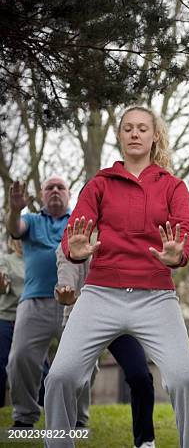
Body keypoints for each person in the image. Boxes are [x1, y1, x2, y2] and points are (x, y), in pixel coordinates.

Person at [44, 106, 189, 448]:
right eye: (128, 128)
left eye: (142, 129)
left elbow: (187, 230)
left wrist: (180, 252)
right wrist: (75, 247)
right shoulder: (100, 182)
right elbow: (76, 231)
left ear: (154, 136)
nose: (135, 134)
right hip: (101, 294)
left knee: (185, 380)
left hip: (156, 296)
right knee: (59, 377)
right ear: (119, 136)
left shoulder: (173, 186)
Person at [5, 176, 90, 428]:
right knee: (20, 358)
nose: (55, 191)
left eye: (60, 187)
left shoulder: (80, 220)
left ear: (69, 193)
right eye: (49, 188)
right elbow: (14, 228)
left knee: (84, 360)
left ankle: (77, 418)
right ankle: (24, 416)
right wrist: (15, 209)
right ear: (41, 195)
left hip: (75, 301)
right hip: (34, 302)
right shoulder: (30, 221)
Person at [55, 240, 156, 448]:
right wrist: (67, 288)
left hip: (119, 317)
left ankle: (145, 440)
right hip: (83, 317)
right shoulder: (77, 235)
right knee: (68, 378)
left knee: (141, 377)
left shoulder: (122, 234)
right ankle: (63, 433)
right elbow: (68, 264)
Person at [0, 238, 23, 407]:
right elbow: (4, 287)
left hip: (30, 319)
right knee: (1, 365)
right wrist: (2, 283)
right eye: (17, 239)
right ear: (11, 241)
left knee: (38, 367)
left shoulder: (36, 259)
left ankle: (44, 405)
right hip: (6, 319)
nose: (21, 242)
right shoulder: (7, 260)